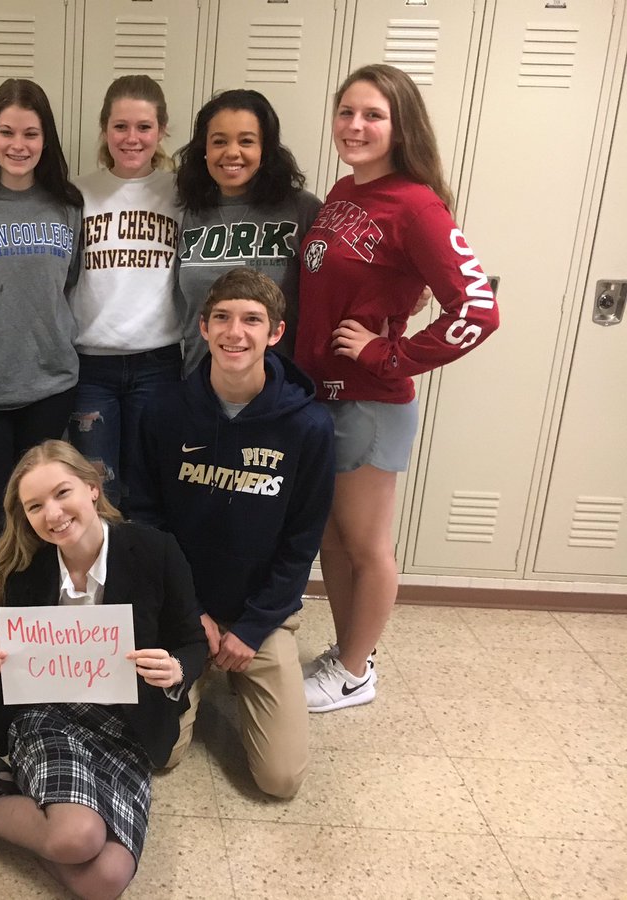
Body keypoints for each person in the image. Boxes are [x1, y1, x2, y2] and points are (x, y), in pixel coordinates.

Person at [0, 440, 206, 899]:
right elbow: (17, 676)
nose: (52, 514)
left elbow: (193, 641)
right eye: (35, 506)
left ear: (92, 488)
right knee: (77, 837)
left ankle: (5, 795)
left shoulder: (155, 550)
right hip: (50, 716)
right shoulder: (25, 569)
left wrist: (176, 670)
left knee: (106, 879)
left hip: (126, 726)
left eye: (62, 493)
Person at [296, 64, 500, 712]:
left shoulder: (416, 205)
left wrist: (391, 354)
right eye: (346, 112)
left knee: (366, 544)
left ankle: (354, 671)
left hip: (369, 404)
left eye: (373, 115)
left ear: (400, 126)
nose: (355, 126)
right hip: (323, 395)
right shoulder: (345, 190)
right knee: (332, 539)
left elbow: (478, 309)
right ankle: (348, 655)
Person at [131, 269, 334, 798]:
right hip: (183, 611)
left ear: (275, 333)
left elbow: (301, 542)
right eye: (221, 317)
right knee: (159, 755)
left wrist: (253, 627)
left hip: (260, 614)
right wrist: (191, 611)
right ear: (203, 327)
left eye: (252, 320)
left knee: (281, 779)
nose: (234, 332)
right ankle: (203, 672)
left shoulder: (308, 426)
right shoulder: (164, 411)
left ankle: (240, 671)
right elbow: (146, 521)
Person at [0, 79, 84, 527]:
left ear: (46, 139)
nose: (18, 145)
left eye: (30, 134)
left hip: (50, 383)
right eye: (7, 132)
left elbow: (68, 283)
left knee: (46, 515)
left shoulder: (68, 205)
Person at [67, 75, 183, 512]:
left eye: (144, 127)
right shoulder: (77, 194)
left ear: (162, 130)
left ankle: (143, 561)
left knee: (149, 491)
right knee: (96, 494)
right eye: (120, 126)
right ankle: (103, 561)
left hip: (159, 364)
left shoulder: (181, 193)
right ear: (104, 129)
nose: (132, 138)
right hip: (91, 367)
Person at [175, 89, 321, 371]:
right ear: (204, 150)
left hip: (279, 385)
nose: (232, 152)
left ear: (265, 150)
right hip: (199, 382)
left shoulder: (302, 210)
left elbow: (334, 288)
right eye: (219, 141)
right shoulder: (185, 211)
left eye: (246, 141)